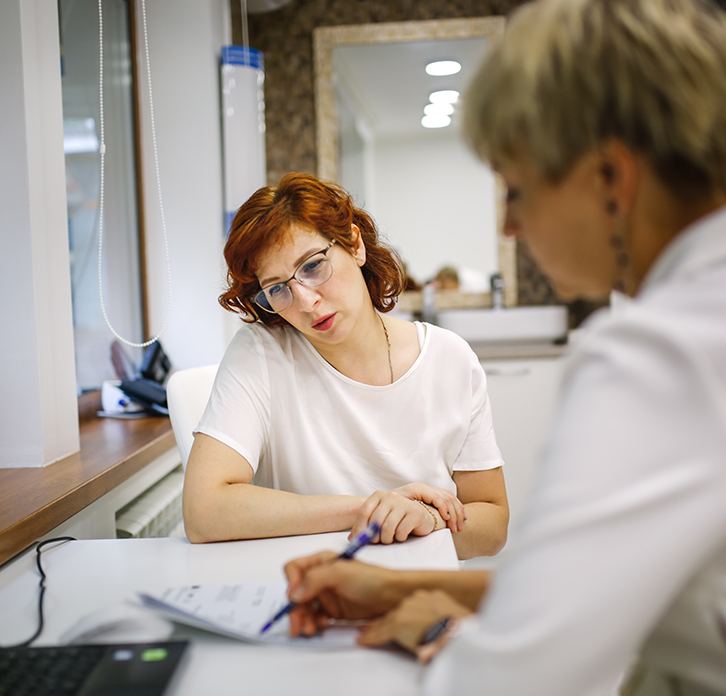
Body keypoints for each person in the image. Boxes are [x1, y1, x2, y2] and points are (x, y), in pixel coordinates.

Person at [281, 0, 726, 696]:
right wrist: (397, 587)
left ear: (608, 177)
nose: (508, 222)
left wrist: (434, 625)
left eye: (515, 186)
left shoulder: (661, 352)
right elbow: (591, 589)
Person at [181, 173, 509, 560]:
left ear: (354, 245)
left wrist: (429, 522)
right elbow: (203, 512)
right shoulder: (262, 354)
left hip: (423, 592)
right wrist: (369, 510)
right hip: (314, 586)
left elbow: (493, 523)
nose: (304, 301)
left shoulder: (449, 358)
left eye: (313, 266)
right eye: (277, 289)